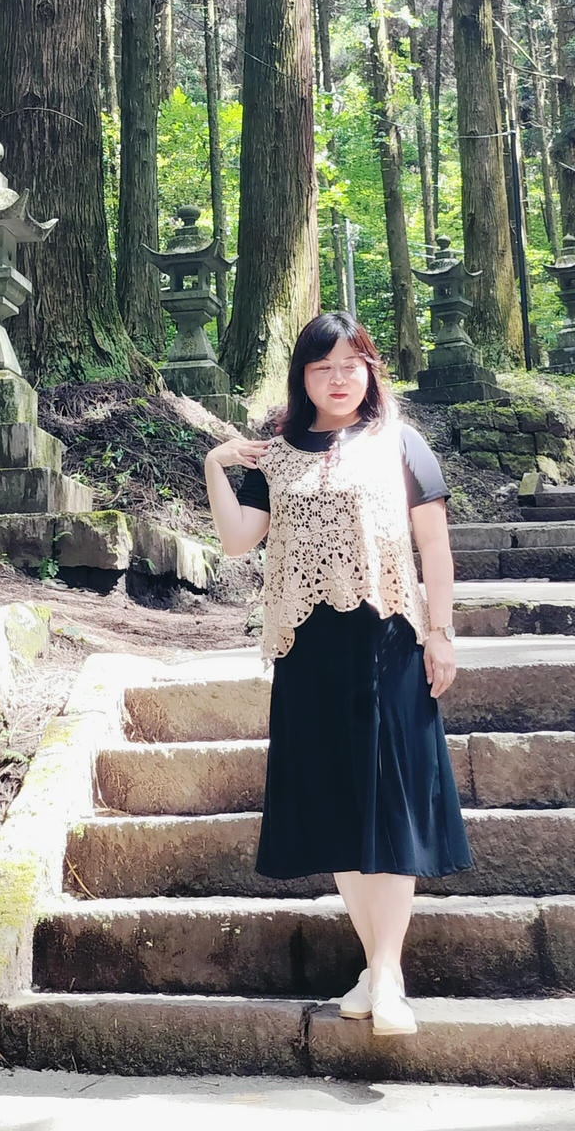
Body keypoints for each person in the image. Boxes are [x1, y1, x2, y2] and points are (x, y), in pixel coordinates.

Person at [204, 310, 471, 1038]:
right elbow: (236, 542)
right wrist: (216, 465)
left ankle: (385, 973)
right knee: (336, 803)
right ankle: (379, 970)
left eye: (351, 365)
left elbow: (435, 548)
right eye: (323, 368)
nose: (339, 379)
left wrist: (441, 633)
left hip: (388, 638)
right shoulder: (280, 456)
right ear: (304, 378)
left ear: (370, 370)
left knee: (390, 797)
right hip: (307, 647)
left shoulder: (401, 443)